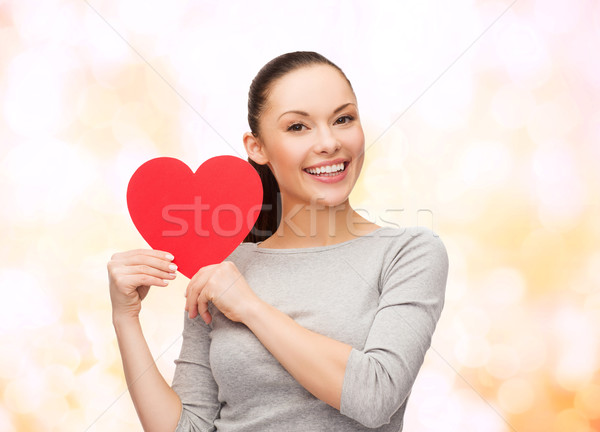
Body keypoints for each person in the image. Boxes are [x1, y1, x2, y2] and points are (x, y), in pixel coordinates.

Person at [108, 51, 449, 432]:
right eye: (298, 127)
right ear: (257, 148)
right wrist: (125, 318)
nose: (329, 142)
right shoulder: (222, 267)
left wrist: (250, 307)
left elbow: (375, 396)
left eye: (343, 119)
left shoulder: (409, 253)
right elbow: (188, 428)